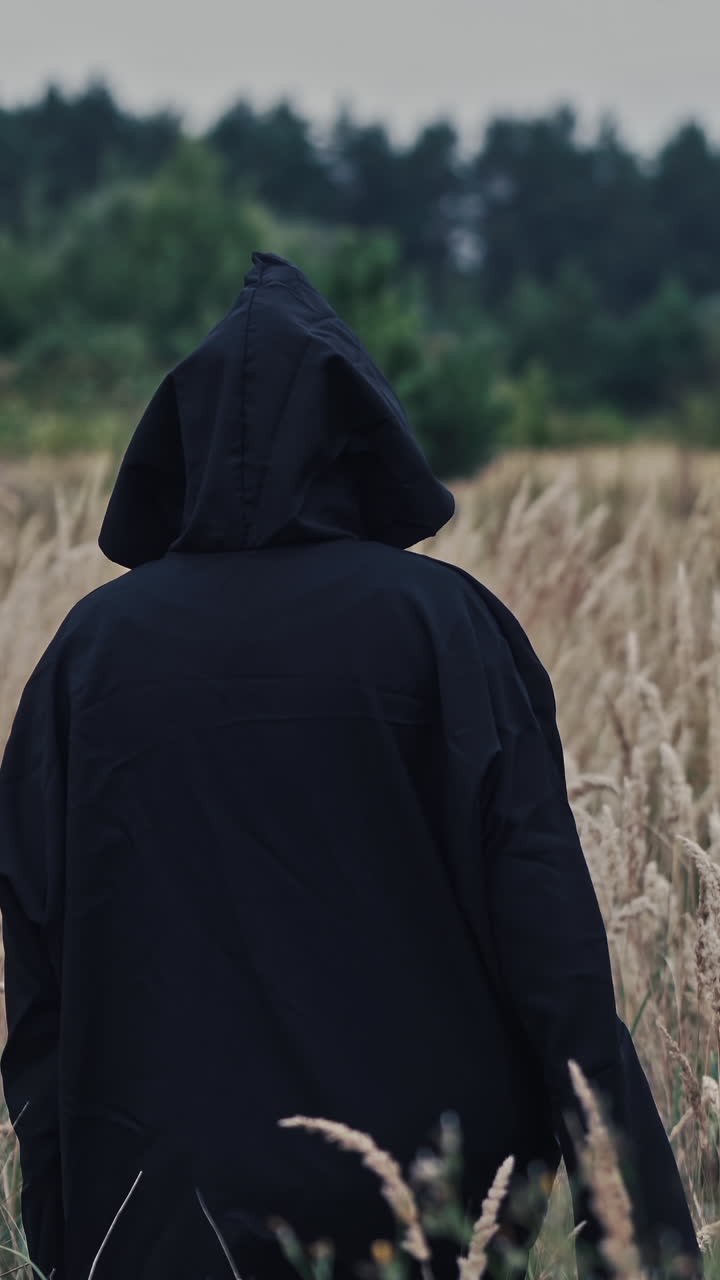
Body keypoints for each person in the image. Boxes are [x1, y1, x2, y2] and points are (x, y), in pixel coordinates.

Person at [0, 252, 699, 1280]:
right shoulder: (443, 628)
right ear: (359, 434)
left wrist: (66, 1213)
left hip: (159, 1213)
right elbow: (552, 946)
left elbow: (41, 976)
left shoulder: (91, 655)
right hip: (419, 1214)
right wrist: (635, 1234)